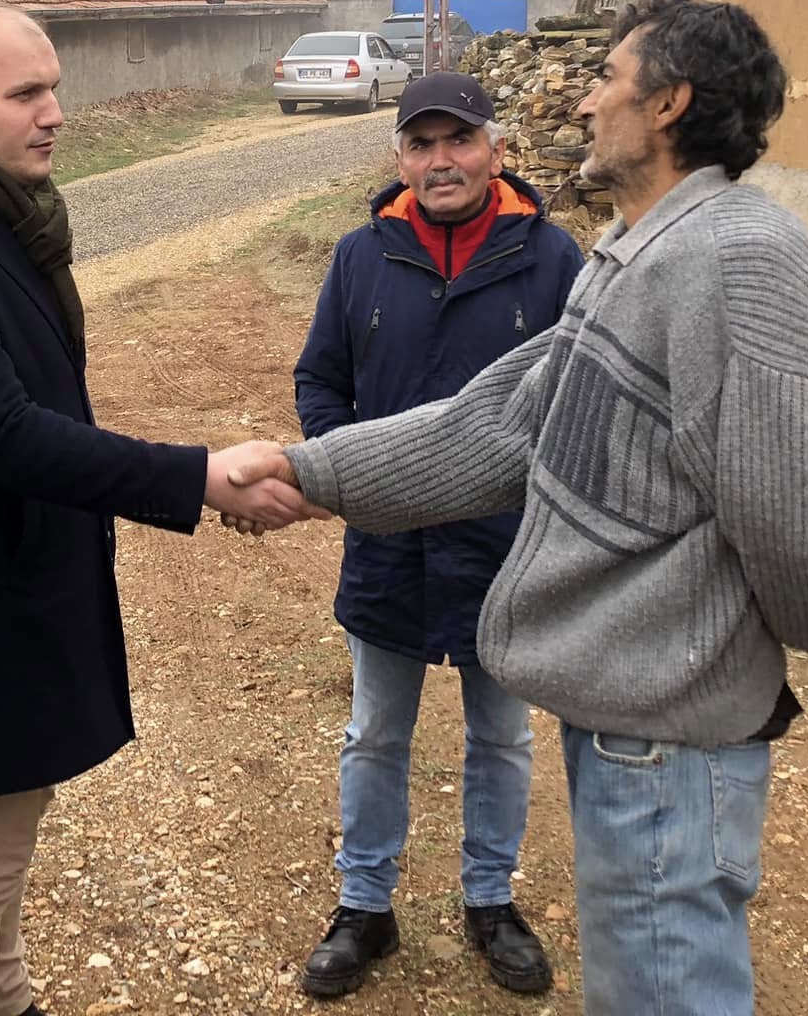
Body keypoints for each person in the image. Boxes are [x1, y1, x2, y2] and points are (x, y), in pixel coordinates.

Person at [236, 0, 808, 1016]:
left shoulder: (736, 260)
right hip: (623, 720)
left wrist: (711, 648)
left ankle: (484, 896)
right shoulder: (634, 257)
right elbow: (498, 424)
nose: (583, 104)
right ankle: (366, 902)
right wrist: (305, 470)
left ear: (669, 103)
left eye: (604, 80)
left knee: (666, 992)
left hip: (672, 725)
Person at [0, 0, 322, 1016]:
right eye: (25, 93)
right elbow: (0, 435)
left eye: (53, 86)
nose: (54, 111)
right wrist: (191, 474)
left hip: (19, 601)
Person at [292, 72, 583, 999]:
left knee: (502, 736)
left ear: (495, 149)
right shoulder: (359, 257)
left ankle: (490, 899)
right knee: (376, 732)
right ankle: (365, 906)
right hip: (389, 546)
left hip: (509, 550)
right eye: (422, 144)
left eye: (458, 140)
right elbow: (319, 381)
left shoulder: (552, 259)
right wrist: (353, 476)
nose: (440, 160)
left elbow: (581, 401)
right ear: (400, 158)